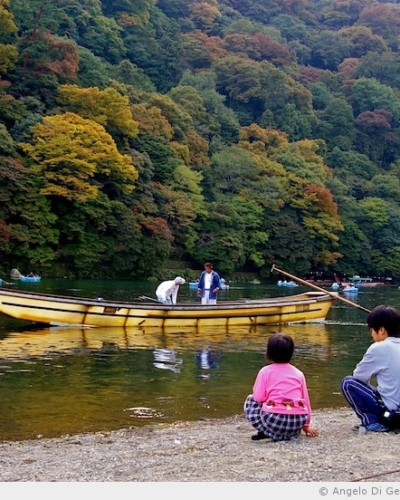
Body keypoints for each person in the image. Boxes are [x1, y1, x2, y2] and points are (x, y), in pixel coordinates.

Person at [244, 332, 318, 442]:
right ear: (291, 353)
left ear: (269, 352)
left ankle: (267, 432)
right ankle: (290, 434)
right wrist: (306, 426)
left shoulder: (265, 372)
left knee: (251, 400)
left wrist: (270, 400)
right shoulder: (299, 373)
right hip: (296, 422)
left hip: (274, 421)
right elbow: (306, 402)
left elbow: (258, 398)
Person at [341, 305, 400, 433]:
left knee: (348, 383)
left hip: (391, 414)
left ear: (382, 330)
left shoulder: (378, 348)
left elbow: (358, 377)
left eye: (372, 330)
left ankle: (372, 421)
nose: (371, 333)